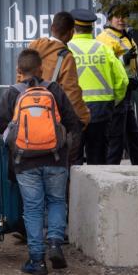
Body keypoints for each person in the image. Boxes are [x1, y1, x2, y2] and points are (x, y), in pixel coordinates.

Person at [0, 49, 82, 275]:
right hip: (55, 157)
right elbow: (74, 123)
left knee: (32, 208)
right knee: (56, 201)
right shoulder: (54, 90)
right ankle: (54, 244)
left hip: (25, 161)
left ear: (18, 71)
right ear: (41, 69)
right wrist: (67, 150)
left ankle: (37, 260)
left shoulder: (13, 93)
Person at [25, 11, 91, 164]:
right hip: (54, 120)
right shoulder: (65, 57)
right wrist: (83, 118)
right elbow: (71, 92)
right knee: (64, 163)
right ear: (71, 33)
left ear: (51, 27)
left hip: (29, 117)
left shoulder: (32, 49)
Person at [68, 9, 129, 164]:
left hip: (74, 109)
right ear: (92, 28)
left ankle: (75, 189)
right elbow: (123, 80)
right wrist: (114, 100)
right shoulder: (104, 49)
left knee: (74, 160)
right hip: (102, 109)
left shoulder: (66, 50)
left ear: (73, 28)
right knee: (98, 161)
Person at [97, 6, 138, 165]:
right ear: (109, 19)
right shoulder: (104, 38)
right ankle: (111, 170)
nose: (121, 20)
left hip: (126, 89)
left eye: (124, 16)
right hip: (115, 92)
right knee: (116, 136)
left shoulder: (127, 37)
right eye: (117, 17)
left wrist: (133, 77)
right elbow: (106, 65)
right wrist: (123, 62)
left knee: (133, 133)